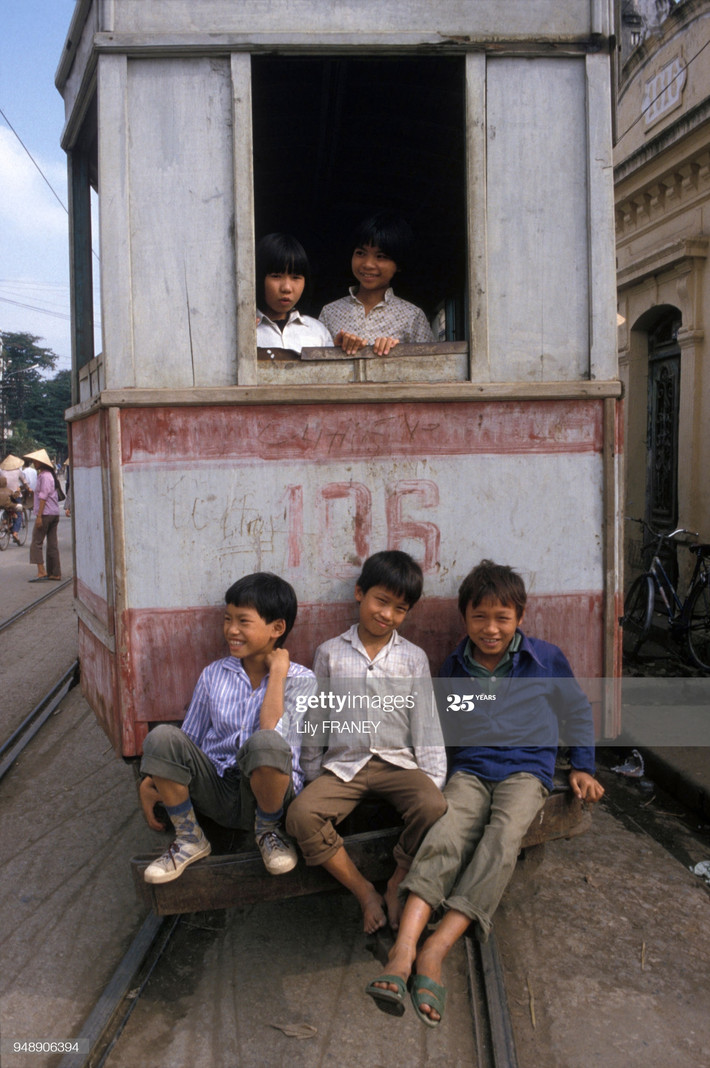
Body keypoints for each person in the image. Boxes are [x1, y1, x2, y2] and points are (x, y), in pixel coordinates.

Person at [366, 559, 605, 1027]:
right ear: (464, 618)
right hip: (471, 770)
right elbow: (442, 728)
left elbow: (577, 710)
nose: (490, 629)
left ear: (519, 618)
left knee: (502, 840)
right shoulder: (454, 665)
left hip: (525, 772)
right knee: (446, 833)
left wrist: (582, 766)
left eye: (502, 618)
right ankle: (404, 949)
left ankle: (436, 947)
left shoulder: (546, 659)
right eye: (480, 618)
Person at [285, 550, 447, 933]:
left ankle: (396, 881)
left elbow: (425, 723)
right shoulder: (330, 653)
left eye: (400, 609)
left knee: (434, 806)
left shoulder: (413, 658)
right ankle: (363, 891)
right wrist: (310, 773)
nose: (387, 615)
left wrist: (433, 779)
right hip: (345, 766)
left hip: (398, 764)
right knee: (300, 815)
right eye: (381, 601)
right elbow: (316, 718)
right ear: (360, 593)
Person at [138, 572, 317, 884]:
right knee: (162, 737)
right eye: (227, 619)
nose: (231, 630)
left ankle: (268, 833)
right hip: (216, 787)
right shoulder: (213, 675)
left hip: (268, 794)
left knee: (266, 744)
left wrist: (277, 675)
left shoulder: (300, 680)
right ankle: (190, 838)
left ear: (277, 628)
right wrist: (153, 776)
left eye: (243, 621)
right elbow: (187, 741)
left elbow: (271, 736)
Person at [319, 210, 435, 356]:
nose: (368, 264)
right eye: (360, 253)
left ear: (398, 264)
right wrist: (334, 347)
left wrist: (396, 353)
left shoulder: (412, 316)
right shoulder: (330, 312)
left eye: (381, 256)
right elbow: (315, 367)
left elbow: (429, 367)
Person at [256, 233, 334, 353]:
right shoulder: (243, 331)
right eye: (276, 276)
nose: (287, 288)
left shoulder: (317, 331)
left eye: (296, 277)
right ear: (259, 278)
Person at [23, 448, 62, 582]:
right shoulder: (50, 475)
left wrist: (39, 516)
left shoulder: (44, 476)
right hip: (54, 513)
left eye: (36, 461)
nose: (34, 462)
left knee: (36, 542)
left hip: (45, 513)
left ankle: (41, 571)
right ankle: (55, 572)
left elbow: (43, 497)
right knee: (52, 543)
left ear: (41, 463)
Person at [0, 475, 23, 544]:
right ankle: (15, 532)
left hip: (1, 506)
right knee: (18, 509)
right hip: (8, 506)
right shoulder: (9, 491)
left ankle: (5, 521)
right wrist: (18, 491)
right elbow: (15, 496)